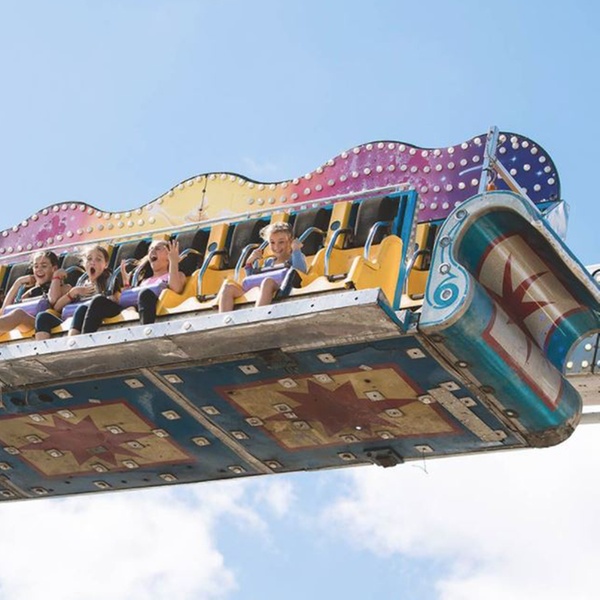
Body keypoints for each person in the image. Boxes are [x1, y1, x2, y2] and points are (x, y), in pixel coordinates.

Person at [74, 239, 185, 334]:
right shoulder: (144, 281)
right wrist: (127, 287)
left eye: (158, 248)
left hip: (157, 305)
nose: (152, 251)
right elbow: (128, 300)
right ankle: (85, 339)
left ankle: (146, 332)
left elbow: (176, 289)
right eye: (150, 249)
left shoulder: (177, 275)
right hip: (132, 309)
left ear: (169, 255)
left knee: (145, 294)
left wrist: (173, 263)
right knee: (98, 301)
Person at [218, 221, 307, 312]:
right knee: (227, 288)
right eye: (272, 242)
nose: (276, 247)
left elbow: (300, 271)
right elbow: (253, 281)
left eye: (281, 242)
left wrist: (296, 250)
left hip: (282, 288)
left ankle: (257, 315)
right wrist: (249, 263)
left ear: (290, 241)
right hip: (261, 290)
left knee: (267, 281)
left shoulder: (295, 257)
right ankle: (223, 318)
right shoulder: (269, 262)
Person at [35, 245, 111, 339]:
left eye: (98, 260)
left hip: (90, 318)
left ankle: (72, 342)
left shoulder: (109, 280)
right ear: (84, 264)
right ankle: (41, 347)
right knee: (42, 317)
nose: (93, 263)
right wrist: (73, 292)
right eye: (89, 259)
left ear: (106, 264)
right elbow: (57, 307)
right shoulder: (81, 283)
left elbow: (115, 299)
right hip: (72, 320)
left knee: (81, 310)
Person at [0, 251, 68, 335]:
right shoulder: (30, 292)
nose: (39, 269)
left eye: (44, 266)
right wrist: (17, 283)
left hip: (47, 322)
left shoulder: (64, 288)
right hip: (28, 323)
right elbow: (5, 311)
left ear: (54, 268)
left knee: (19, 314)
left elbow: (53, 299)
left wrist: (56, 277)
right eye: (36, 266)